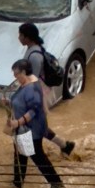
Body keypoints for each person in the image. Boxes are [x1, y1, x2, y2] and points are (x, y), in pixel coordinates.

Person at [8, 58, 66, 188]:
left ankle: (57, 183)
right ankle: (17, 183)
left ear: (24, 72)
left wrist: (18, 122)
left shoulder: (31, 88)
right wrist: (8, 102)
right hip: (23, 130)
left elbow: (33, 110)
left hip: (31, 130)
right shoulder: (24, 84)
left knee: (37, 156)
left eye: (17, 74)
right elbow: (19, 101)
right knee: (20, 155)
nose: (15, 77)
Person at [19, 23, 76, 158]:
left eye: (21, 35)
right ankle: (64, 145)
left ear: (28, 38)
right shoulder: (33, 50)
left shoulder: (34, 56)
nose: (19, 38)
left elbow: (33, 79)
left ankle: (34, 152)